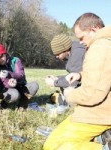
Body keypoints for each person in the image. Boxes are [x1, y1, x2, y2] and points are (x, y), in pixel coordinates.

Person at [43, 12, 111, 150]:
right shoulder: (104, 44)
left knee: (53, 146)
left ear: (93, 30)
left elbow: (92, 94)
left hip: (98, 114)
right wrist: (80, 75)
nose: (80, 42)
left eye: (81, 37)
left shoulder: (100, 47)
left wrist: (69, 95)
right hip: (99, 111)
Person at [0, 44, 39, 108]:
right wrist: (10, 84)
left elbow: (21, 75)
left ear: (5, 53)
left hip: (20, 85)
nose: (0, 59)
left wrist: (9, 74)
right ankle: (4, 102)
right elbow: (0, 84)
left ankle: (22, 104)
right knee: (15, 94)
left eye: (1, 56)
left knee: (34, 85)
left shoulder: (15, 60)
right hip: (7, 89)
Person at [45, 34, 85, 105]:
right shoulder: (74, 49)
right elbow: (74, 74)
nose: (57, 57)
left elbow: (74, 81)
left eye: (58, 54)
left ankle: (60, 99)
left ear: (65, 49)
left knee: (68, 91)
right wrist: (57, 78)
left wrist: (54, 83)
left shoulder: (77, 53)